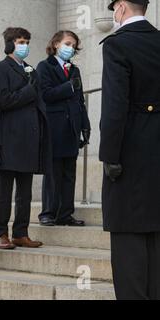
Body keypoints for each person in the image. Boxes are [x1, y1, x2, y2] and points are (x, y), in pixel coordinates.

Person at [100, 0, 160, 300]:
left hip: (130, 155)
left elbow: (114, 108)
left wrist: (109, 156)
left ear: (120, 7)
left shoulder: (117, 45)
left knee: (129, 244)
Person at [0, 27, 49, 250]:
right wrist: (28, 92)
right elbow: (3, 100)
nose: (24, 45)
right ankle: (0, 232)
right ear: (9, 44)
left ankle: (21, 232)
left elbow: (38, 101)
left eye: (27, 41)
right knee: (5, 191)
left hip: (30, 138)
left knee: (25, 191)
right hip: (10, 137)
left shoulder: (31, 70)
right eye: (20, 41)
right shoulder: (0, 69)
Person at [36, 30, 91, 227]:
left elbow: (80, 101)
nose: (71, 48)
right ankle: (48, 212)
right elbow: (45, 94)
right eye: (68, 43)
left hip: (72, 127)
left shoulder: (74, 70)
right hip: (54, 127)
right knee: (53, 172)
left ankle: (65, 214)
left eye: (74, 45)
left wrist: (85, 125)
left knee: (69, 172)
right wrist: (68, 87)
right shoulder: (45, 66)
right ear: (57, 44)